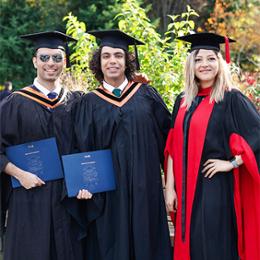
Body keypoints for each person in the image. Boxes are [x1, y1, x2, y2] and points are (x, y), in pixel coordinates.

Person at [74, 29, 172, 260]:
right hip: (107, 196)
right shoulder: (88, 103)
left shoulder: (147, 95)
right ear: (99, 62)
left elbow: (169, 143)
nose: (112, 61)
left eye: (118, 55)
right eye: (106, 56)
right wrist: (82, 183)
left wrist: (173, 183)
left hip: (145, 190)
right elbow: (80, 147)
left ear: (127, 60)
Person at [164, 32, 260, 260]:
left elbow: (257, 135)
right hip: (185, 190)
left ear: (220, 62)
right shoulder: (183, 100)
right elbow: (172, 144)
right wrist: (170, 187)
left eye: (210, 58)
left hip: (214, 188)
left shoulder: (231, 99)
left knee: (213, 246)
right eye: (198, 59)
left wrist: (231, 163)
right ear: (191, 64)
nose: (204, 64)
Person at [0, 31, 88, 260]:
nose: (51, 63)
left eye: (57, 58)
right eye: (45, 57)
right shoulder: (15, 103)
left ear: (65, 62)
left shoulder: (77, 102)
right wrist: (20, 174)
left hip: (67, 199)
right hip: (29, 198)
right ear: (35, 61)